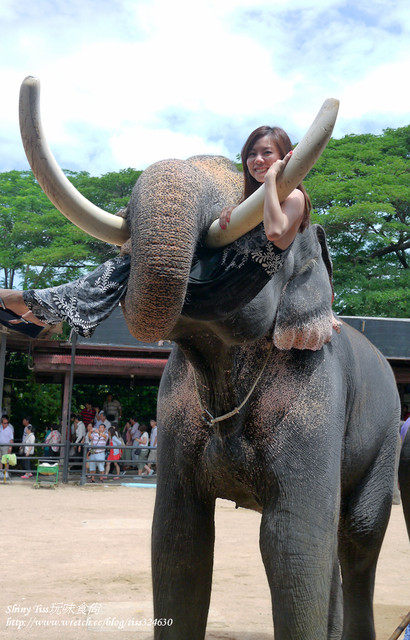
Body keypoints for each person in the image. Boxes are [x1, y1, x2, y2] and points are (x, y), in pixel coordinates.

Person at [0, 126, 339, 345]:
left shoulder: (292, 196)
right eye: (251, 153)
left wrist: (270, 183)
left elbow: (277, 232)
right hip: (215, 277)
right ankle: (36, 311)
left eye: (267, 152)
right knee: (132, 268)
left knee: (133, 268)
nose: (257, 160)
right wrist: (229, 214)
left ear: (285, 155)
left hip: (227, 290)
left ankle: (31, 305)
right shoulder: (257, 199)